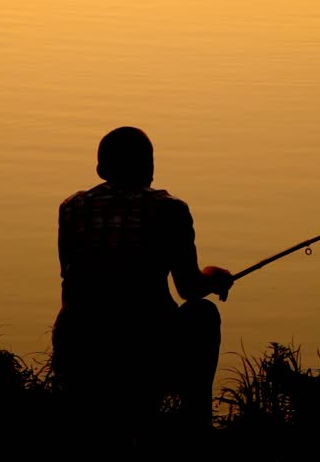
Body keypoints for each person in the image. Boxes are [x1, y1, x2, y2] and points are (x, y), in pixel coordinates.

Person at [51, 126, 234, 451]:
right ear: (150, 168)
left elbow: (71, 278)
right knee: (203, 313)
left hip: (80, 349)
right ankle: (196, 426)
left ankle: (85, 417)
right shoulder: (169, 210)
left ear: (100, 170)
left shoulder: (71, 208)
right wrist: (213, 276)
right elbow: (189, 288)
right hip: (148, 348)